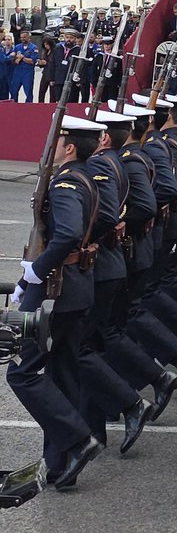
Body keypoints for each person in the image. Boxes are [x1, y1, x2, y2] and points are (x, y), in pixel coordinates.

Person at [7, 115, 107, 490]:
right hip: (77, 285)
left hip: (56, 289)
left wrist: (36, 271)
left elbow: (65, 233)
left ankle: (79, 439)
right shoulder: (87, 178)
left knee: (22, 372)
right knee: (62, 374)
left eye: (58, 140)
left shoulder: (66, 182)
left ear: (68, 148)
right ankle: (60, 463)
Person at [8, 28, 38, 102]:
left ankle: (28, 107)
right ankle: (14, 106)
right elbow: (13, 58)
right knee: (13, 90)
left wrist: (22, 57)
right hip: (17, 71)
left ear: (28, 37)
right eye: (21, 37)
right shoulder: (17, 47)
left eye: (24, 37)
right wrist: (15, 59)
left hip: (27, 72)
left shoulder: (33, 48)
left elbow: (32, 61)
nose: (22, 39)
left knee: (28, 91)